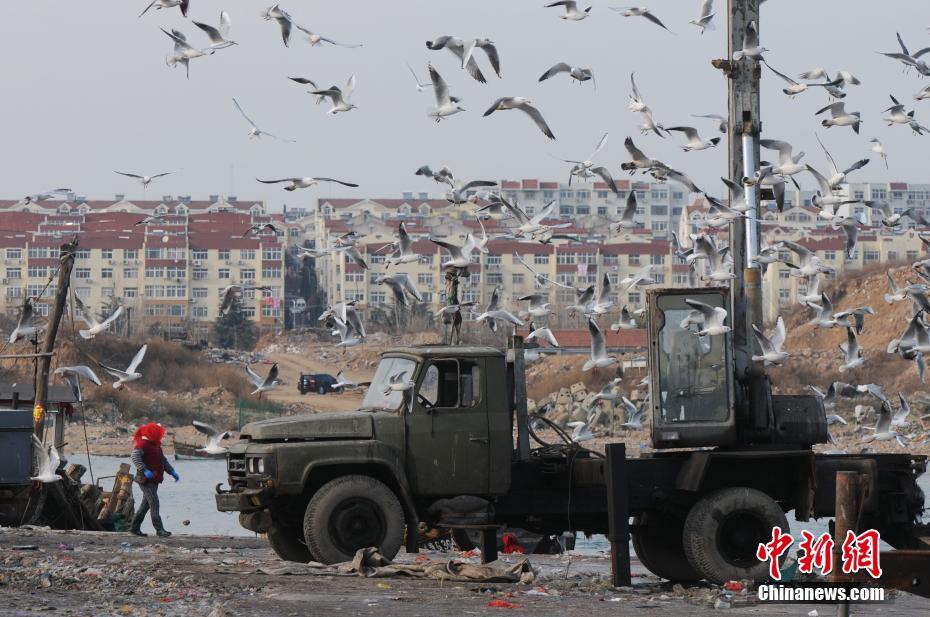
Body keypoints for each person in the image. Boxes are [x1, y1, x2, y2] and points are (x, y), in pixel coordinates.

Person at [129, 422, 179, 537]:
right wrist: (144, 469)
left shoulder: (156, 445)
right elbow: (134, 457)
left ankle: (134, 528)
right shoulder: (143, 444)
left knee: (145, 505)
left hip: (154, 480)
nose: (161, 435)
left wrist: (172, 472)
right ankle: (159, 529)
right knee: (154, 502)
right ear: (153, 433)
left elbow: (163, 460)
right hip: (145, 480)